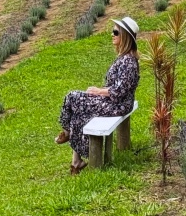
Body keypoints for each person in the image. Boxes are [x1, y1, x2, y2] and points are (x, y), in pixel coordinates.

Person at [55, 17, 140, 174]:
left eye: (116, 32)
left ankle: (67, 132)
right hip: (114, 102)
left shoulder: (128, 62)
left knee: (72, 97)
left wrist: (98, 91)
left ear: (125, 36)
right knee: (78, 110)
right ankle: (76, 162)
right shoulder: (125, 58)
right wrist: (100, 91)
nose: (112, 34)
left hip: (118, 105)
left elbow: (119, 91)